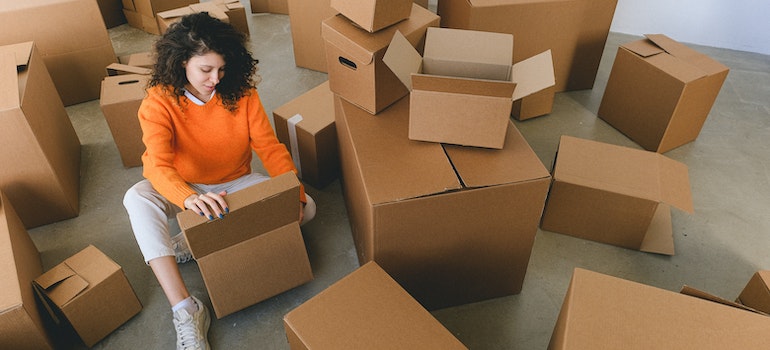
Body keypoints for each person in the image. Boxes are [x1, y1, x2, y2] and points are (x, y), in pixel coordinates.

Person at [123, 12, 315, 350]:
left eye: (221, 69)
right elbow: (157, 166)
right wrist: (187, 198)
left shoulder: (241, 93)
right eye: (205, 70)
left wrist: (294, 195)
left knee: (308, 207)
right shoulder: (159, 101)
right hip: (184, 187)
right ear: (182, 62)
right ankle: (186, 308)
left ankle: (189, 241)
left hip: (233, 184)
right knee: (136, 198)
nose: (215, 78)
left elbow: (269, 148)